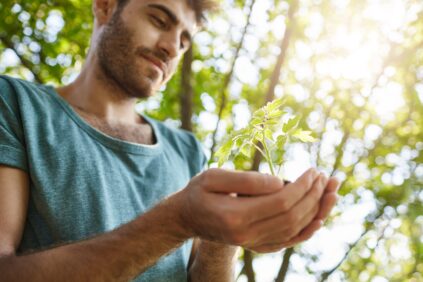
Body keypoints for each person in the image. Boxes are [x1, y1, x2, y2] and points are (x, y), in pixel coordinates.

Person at [0, 0, 340, 281]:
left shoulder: (187, 150)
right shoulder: (14, 103)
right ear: (105, 7)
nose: (170, 48)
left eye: (184, 41)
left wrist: (223, 238)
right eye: (159, 20)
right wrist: (178, 219)